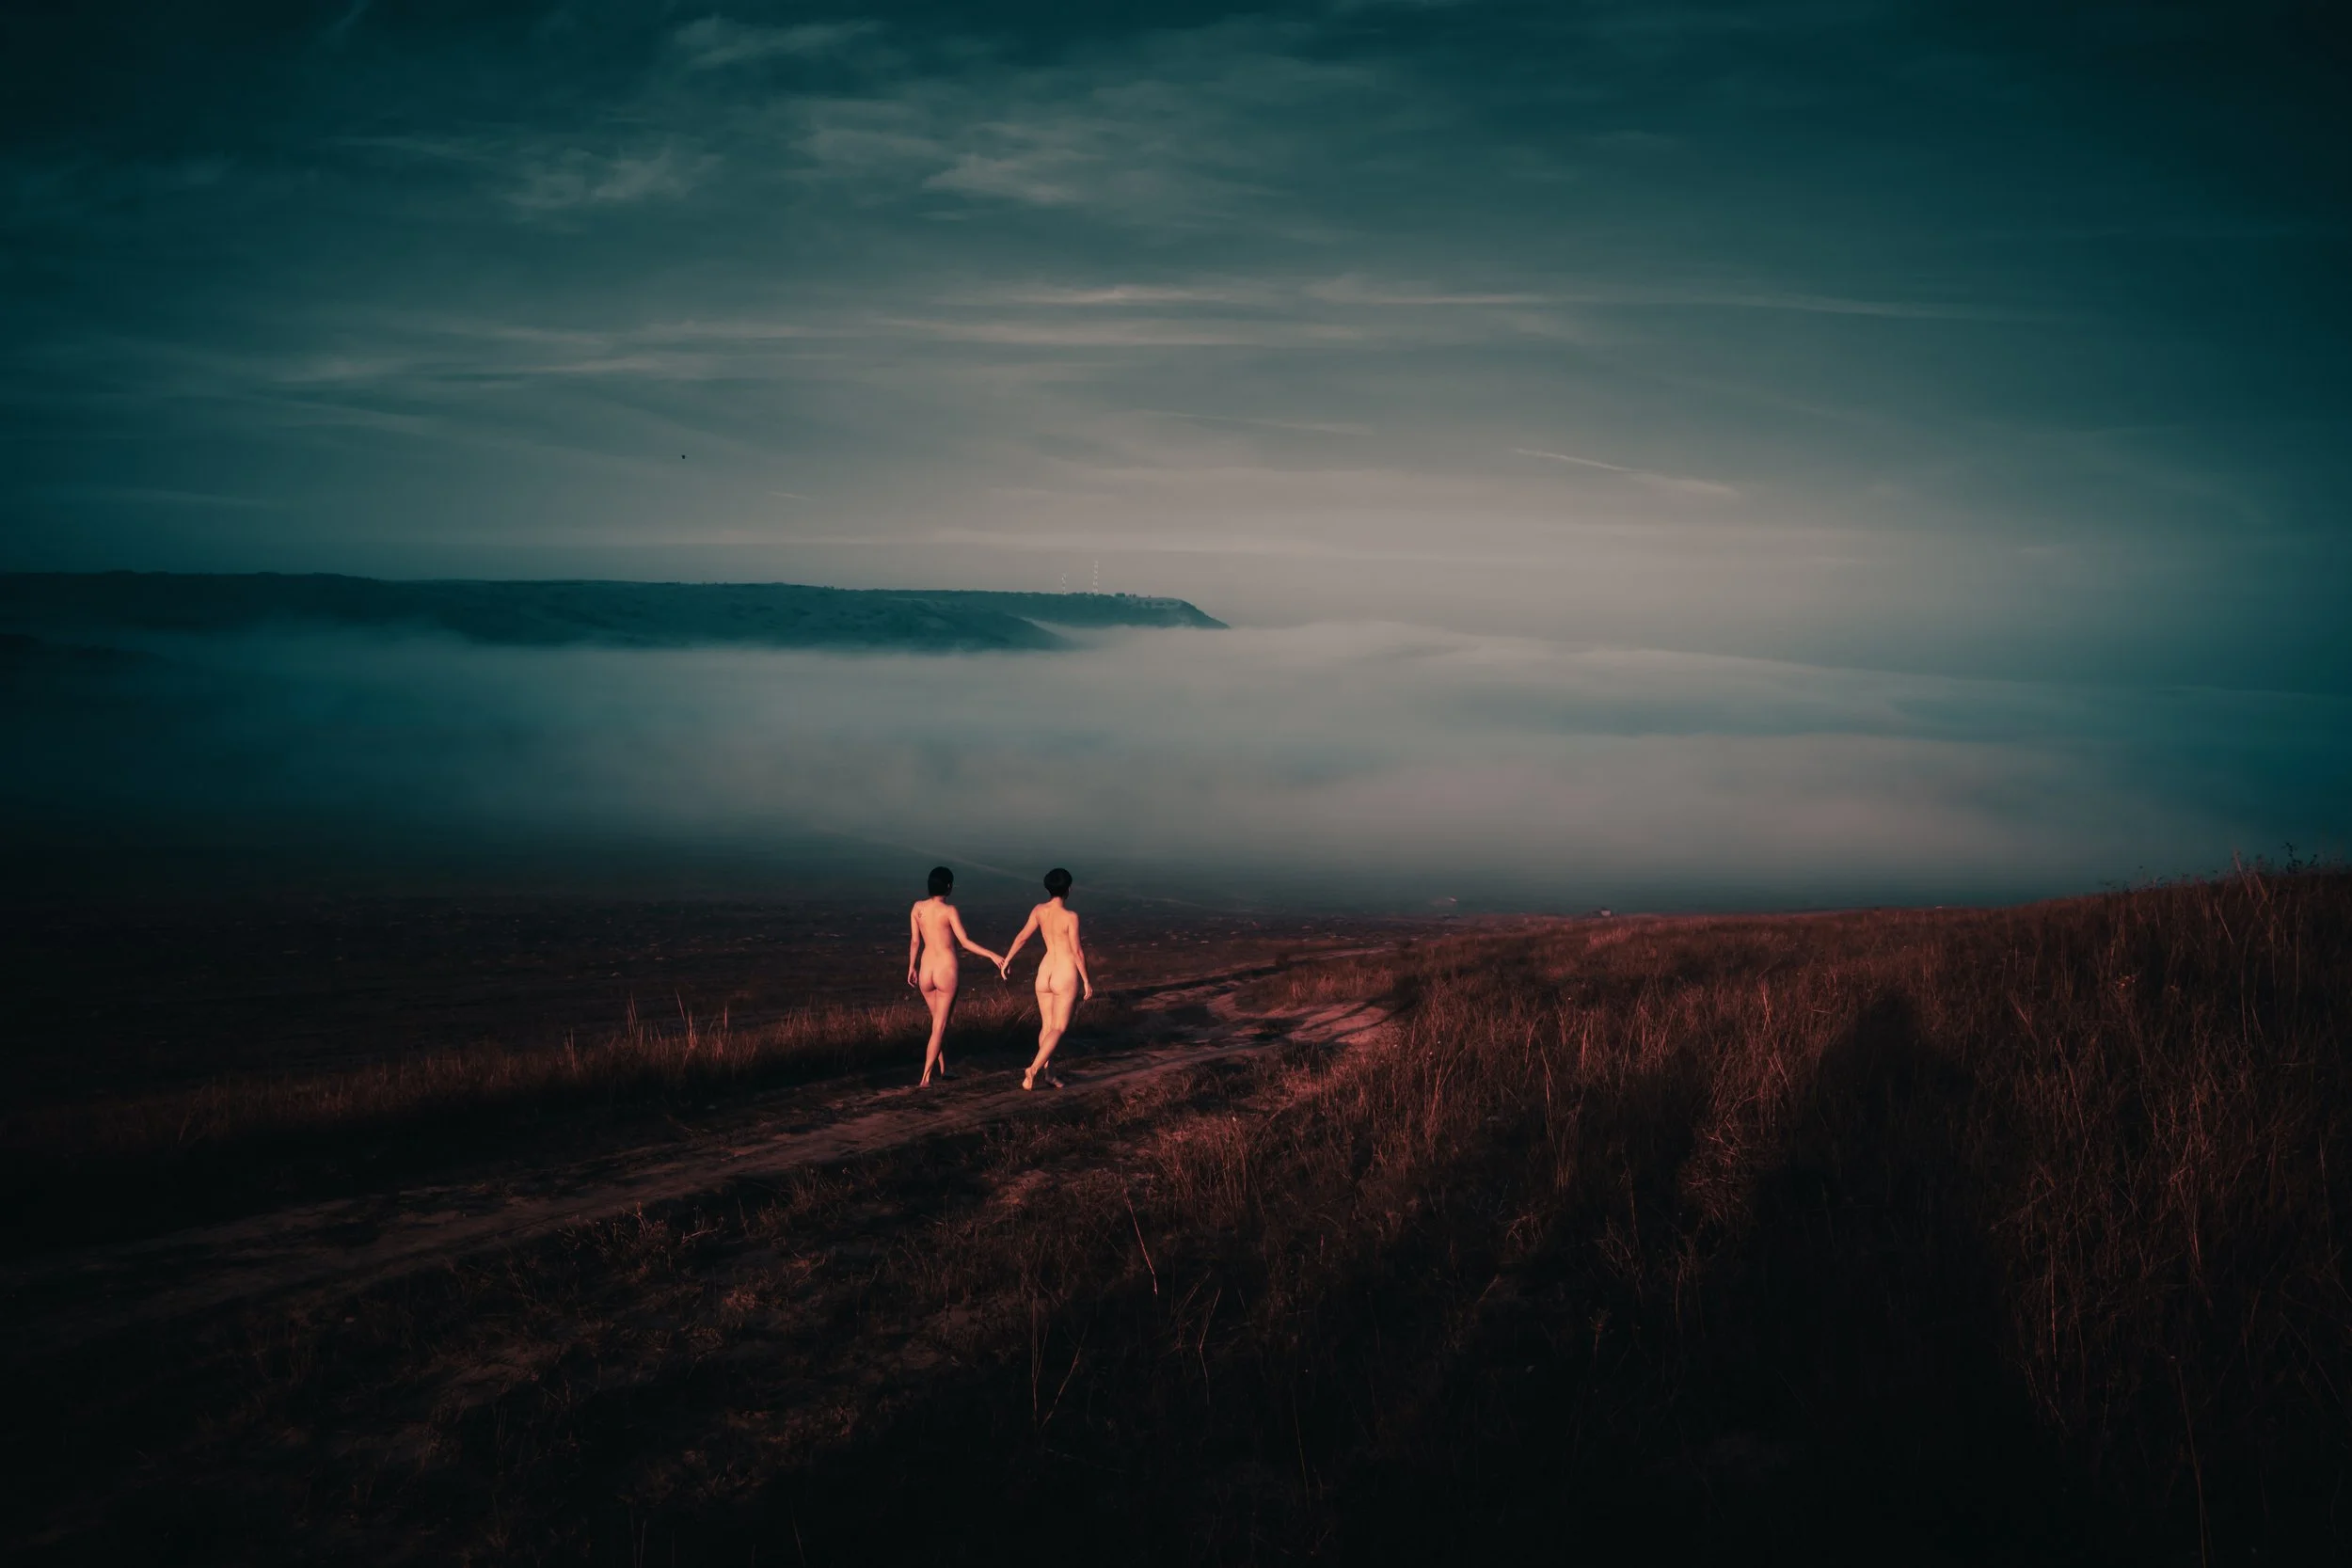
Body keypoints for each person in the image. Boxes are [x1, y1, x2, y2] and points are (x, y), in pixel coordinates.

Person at [907, 865, 1004, 1088]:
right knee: (939, 1026)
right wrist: (991, 954)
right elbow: (965, 942)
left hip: (925, 970)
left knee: (937, 1025)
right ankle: (925, 1078)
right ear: (948, 887)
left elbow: (914, 941)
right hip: (945, 970)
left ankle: (944, 1069)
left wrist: (911, 966)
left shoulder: (917, 907)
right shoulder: (949, 911)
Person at [998, 867, 1092, 1090]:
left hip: (1045, 972)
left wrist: (1007, 960)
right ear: (1069, 889)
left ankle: (1050, 1073)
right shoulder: (1070, 917)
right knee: (1058, 1028)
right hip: (1064, 972)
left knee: (1048, 1026)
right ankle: (1033, 1069)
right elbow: (1077, 951)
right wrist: (1087, 980)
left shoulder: (1039, 910)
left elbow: (1022, 937)